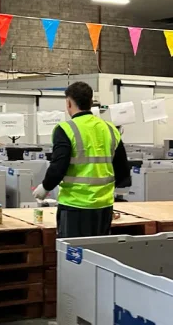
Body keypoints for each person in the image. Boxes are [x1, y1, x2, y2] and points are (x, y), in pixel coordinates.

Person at [33, 81, 130, 238]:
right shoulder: (111, 129)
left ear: (69, 103)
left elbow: (59, 166)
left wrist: (45, 187)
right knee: (98, 255)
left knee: (74, 258)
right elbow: (123, 170)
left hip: (75, 206)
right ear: (91, 102)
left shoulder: (65, 129)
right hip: (104, 207)